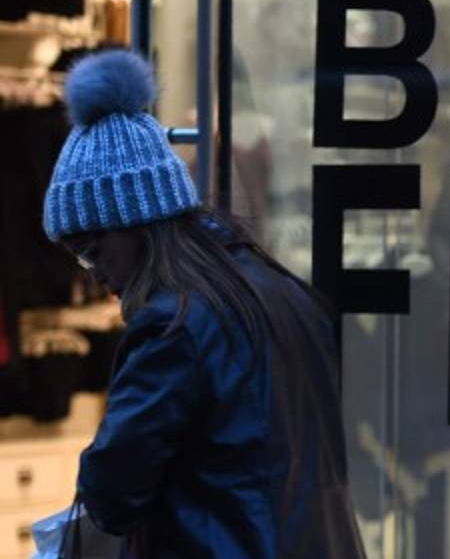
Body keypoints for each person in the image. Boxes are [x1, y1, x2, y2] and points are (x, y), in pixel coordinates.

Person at [42, 49, 366, 558]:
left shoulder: (174, 328)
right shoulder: (281, 292)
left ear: (136, 225)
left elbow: (111, 492)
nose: (95, 274)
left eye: (92, 251)